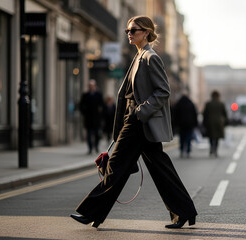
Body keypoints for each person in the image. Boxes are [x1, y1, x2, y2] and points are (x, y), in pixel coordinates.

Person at [70, 15, 197, 229]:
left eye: (134, 30)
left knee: (116, 166)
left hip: (138, 121)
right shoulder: (138, 56)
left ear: (146, 32)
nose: (129, 34)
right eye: (128, 31)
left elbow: (163, 91)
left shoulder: (150, 57)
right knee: (160, 169)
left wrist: (141, 111)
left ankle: (92, 212)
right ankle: (184, 211)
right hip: (136, 120)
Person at [80, 79, 104, 154]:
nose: (91, 87)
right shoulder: (85, 95)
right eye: (90, 86)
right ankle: (90, 148)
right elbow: (81, 105)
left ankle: (96, 147)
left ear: (95, 86)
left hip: (96, 118)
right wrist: (84, 113)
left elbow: (102, 105)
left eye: (92, 86)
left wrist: (100, 114)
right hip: (88, 118)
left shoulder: (99, 95)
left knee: (97, 134)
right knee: (89, 135)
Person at [203, 90, 228, 158]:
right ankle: (215, 150)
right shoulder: (221, 104)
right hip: (219, 123)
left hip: (209, 122)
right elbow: (225, 114)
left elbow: (205, 114)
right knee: (217, 137)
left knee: (211, 137)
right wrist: (225, 122)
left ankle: (211, 148)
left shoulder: (208, 104)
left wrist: (204, 123)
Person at [173, 92, 198, 158]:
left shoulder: (178, 104)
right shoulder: (191, 103)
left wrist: (175, 124)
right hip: (190, 124)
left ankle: (181, 150)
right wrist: (195, 124)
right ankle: (188, 151)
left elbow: (175, 115)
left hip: (181, 124)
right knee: (188, 138)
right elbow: (195, 114)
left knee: (182, 138)